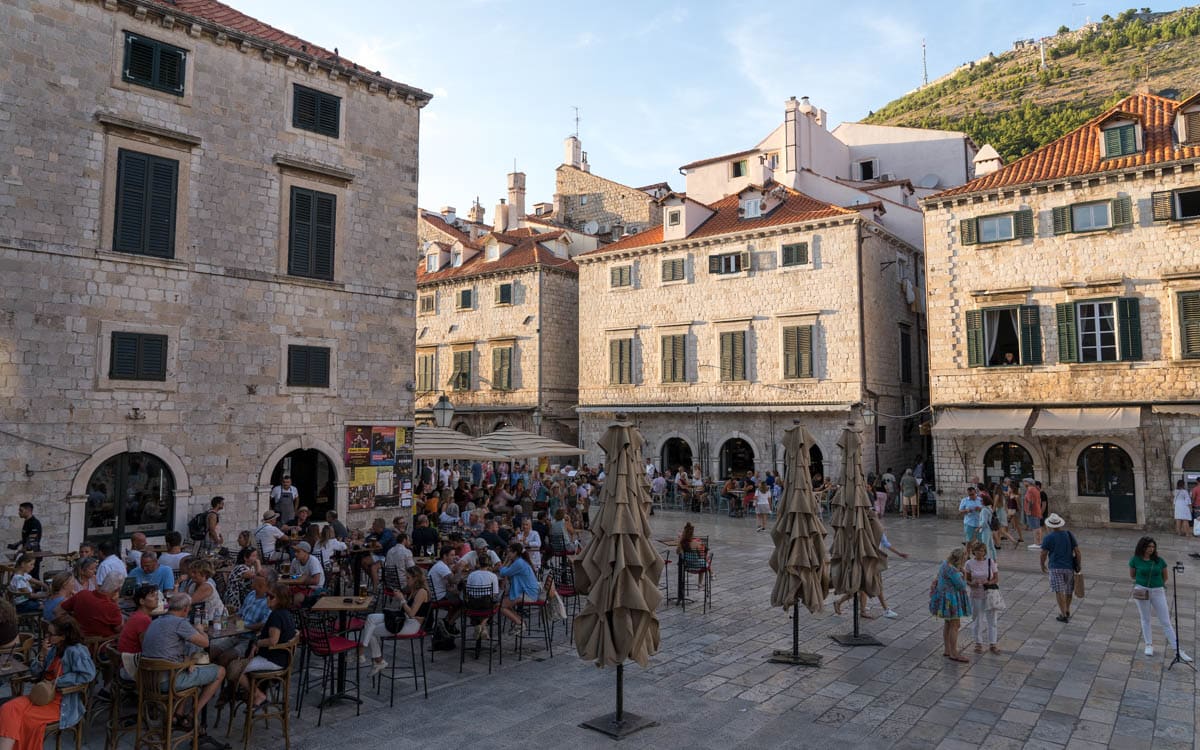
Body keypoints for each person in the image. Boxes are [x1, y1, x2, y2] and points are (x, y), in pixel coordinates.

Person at [0, 615, 96, 750]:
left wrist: (57, 682)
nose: (47, 637)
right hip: (41, 695)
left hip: (61, 702)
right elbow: (35, 673)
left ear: (63, 636)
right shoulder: (54, 648)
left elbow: (88, 675)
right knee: (8, 709)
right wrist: (42, 655)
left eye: (51, 634)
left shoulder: (76, 651)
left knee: (25, 720)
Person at [141, 593, 227, 725]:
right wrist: (200, 630)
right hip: (168, 681)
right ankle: (193, 714)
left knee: (189, 668)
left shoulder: (155, 621)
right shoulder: (180, 623)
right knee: (220, 671)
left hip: (148, 679)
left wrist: (186, 660)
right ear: (186, 609)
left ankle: (178, 714)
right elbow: (205, 643)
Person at [230, 582, 298, 711]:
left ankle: (257, 694)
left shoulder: (276, 616)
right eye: (267, 595)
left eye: (271, 597)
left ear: (280, 600)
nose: (267, 598)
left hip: (274, 660)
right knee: (238, 664)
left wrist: (257, 643)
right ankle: (250, 692)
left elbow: (273, 640)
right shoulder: (285, 613)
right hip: (280, 657)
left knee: (233, 668)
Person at [1129, 537, 1192, 661]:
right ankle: (1148, 644)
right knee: (1145, 618)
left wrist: (1156, 586)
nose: (1151, 549)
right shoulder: (1135, 560)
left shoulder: (1159, 561)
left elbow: (1165, 577)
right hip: (1142, 591)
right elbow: (1132, 576)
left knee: (1166, 621)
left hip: (1158, 591)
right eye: (1148, 547)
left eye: (1153, 547)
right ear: (1142, 547)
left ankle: (1177, 649)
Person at [358, 567, 430, 675]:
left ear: (415, 578)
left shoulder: (422, 592)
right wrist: (398, 594)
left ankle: (365, 652)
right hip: (403, 619)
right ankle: (372, 657)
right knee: (371, 618)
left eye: (408, 577)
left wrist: (402, 599)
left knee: (371, 630)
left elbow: (411, 614)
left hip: (412, 625)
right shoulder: (413, 589)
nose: (406, 580)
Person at [929, 547, 971, 663]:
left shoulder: (944, 564)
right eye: (965, 556)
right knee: (955, 624)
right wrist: (965, 574)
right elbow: (962, 586)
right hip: (952, 600)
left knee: (948, 623)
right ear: (961, 558)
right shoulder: (954, 571)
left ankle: (947, 649)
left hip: (944, 599)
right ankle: (954, 653)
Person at [1040, 513, 1080, 623]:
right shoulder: (1068, 534)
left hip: (1055, 567)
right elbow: (1077, 551)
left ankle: (1063, 614)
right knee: (1068, 590)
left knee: (1059, 591)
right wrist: (1079, 565)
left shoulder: (1048, 538)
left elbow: (1043, 554)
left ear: (1050, 526)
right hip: (1069, 567)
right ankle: (1067, 609)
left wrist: (1042, 565)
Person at [963, 541, 1001, 654]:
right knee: (977, 619)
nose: (980, 553)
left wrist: (989, 582)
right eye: (978, 550)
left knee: (992, 619)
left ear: (985, 552)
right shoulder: (969, 563)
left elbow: (996, 578)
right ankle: (978, 643)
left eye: (982, 551)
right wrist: (971, 584)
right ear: (974, 552)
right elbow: (967, 579)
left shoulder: (990, 562)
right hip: (976, 594)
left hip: (989, 594)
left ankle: (993, 643)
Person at [58, 574, 123, 638]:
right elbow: (119, 629)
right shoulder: (112, 607)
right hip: (101, 644)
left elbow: (58, 611)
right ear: (117, 590)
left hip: (77, 638)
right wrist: (115, 603)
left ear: (103, 583)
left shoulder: (82, 594)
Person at [117, 584, 159, 678]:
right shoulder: (143, 619)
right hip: (131, 668)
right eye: (152, 596)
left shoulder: (137, 615)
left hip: (125, 664)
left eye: (156, 595)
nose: (157, 598)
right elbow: (147, 648)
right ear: (142, 601)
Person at [498, 541, 539, 631]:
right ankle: (520, 621)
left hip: (528, 594)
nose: (507, 554)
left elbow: (503, 572)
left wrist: (507, 561)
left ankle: (519, 624)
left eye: (509, 552)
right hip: (527, 591)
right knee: (504, 603)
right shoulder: (519, 561)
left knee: (501, 606)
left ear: (515, 553)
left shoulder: (519, 563)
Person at [178, 559, 227, 625]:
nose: (191, 575)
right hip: (201, 618)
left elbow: (188, 602)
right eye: (191, 572)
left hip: (214, 620)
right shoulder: (193, 584)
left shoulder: (206, 586)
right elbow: (180, 598)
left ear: (204, 574)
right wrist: (176, 585)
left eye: (195, 573)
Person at [1024, 478, 1044, 549]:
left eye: (1025, 482)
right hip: (1037, 510)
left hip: (1033, 511)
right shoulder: (1036, 489)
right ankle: (1039, 542)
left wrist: (1029, 511)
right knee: (1037, 527)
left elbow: (1030, 501)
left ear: (1028, 483)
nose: (1024, 483)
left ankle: (1036, 543)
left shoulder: (1030, 490)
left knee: (1035, 528)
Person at [978, 495, 997, 560]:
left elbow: (984, 522)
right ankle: (994, 559)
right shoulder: (989, 508)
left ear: (984, 501)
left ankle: (987, 559)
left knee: (985, 546)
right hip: (989, 529)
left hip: (985, 530)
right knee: (991, 545)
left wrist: (978, 528)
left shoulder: (984, 510)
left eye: (981, 500)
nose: (980, 501)